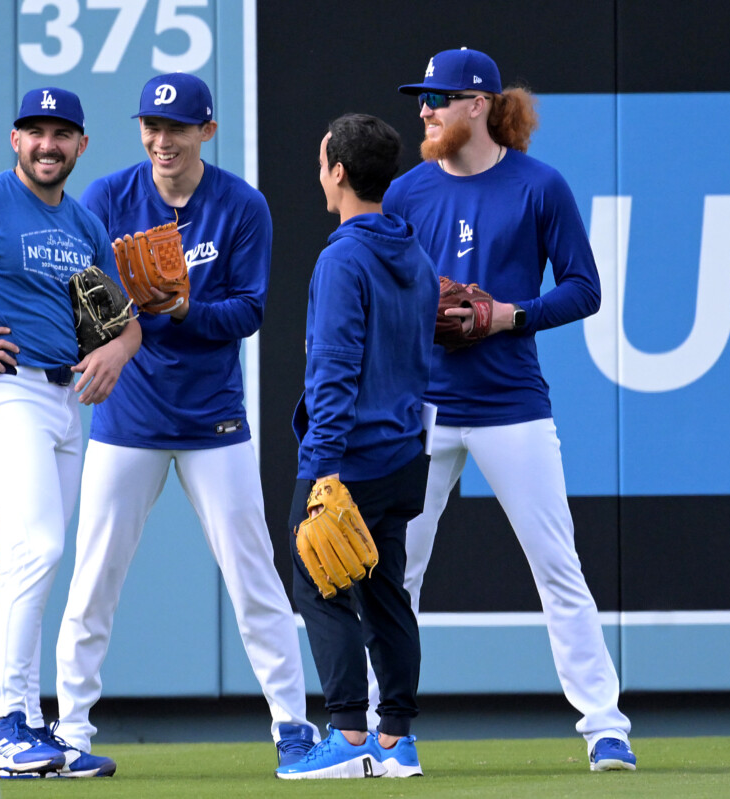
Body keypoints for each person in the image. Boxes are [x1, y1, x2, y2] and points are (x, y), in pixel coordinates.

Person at [375, 47, 637, 771]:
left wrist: (508, 316)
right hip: (420, 407)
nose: (423, 109)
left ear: (479, 104)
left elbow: (585, 288)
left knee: (557, 563)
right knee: (398, 570)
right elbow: (384, 294)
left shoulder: (539, 186)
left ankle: (604, 723)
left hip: (509, 402)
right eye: (421, 97)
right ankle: (381, 723)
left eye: (437, 97)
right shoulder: (405, 195)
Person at [53, 72, 318, 768]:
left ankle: (292, 723)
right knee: (93, 579)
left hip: (211, 419)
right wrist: (124, 318)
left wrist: (181, 309)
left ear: (207, 131)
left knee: (254, 574)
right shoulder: (110, 196)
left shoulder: (241, 205)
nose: (161, 139)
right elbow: (83, 298)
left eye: (177, 127)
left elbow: (250, 312)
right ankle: (73, 727)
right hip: (128, 416)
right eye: (152, 126)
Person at [0, 86, 140, 778]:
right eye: (35, 131)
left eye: (61, 134)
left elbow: (123, 322)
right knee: (40, 545)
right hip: (2, 390)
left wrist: (117, 349)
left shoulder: (83, 226)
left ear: (82, 145)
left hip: (62, 402)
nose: (47, 144)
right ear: (13, 139)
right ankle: (4, 722)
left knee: (27, 560)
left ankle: (26, 726)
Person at [274, 114, 437, 780]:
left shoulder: (343, 256)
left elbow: (334, 369)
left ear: (338, 172)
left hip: (352, 457)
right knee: (387, 592)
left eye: (322, 162)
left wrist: (321, 473)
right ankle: (396, 739)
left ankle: (346, 732)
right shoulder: (417, 252)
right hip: (403, 455)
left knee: (321, 584)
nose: (320, 173)